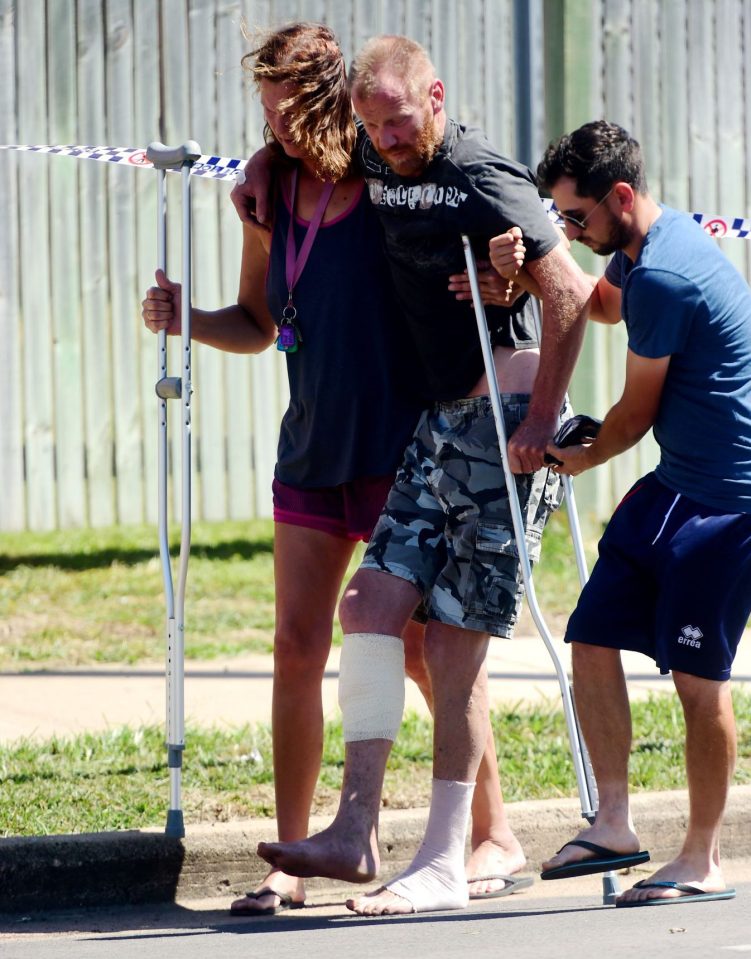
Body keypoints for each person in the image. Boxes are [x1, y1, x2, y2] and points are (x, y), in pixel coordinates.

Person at [142, 23, 526, 916]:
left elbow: (474, 225)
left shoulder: (391, 173)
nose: (276, 125)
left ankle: (491, 832)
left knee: (428, 650)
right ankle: (296, 854)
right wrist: (185, 320)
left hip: (402, 443)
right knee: (295, 645)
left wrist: (503, 275)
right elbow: (256, 318)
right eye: (265, 110)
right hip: (313, 444)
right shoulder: (270, 190)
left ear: (332, 100)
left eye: (292, 107)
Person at [236, 35, 592, 915]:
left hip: (498, 417)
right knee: (369, 609)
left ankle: (465, 847)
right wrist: (255, 156)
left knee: (449, 641)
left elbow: (573, 295)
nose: (385, 139)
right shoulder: (371, 147)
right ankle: (353, 831)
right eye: (372, 125)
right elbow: (301, 141)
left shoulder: (477, 169)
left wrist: (543, 417)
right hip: (436, 424)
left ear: (435, 95)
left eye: (397, 120)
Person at [494, 119, 751, 907]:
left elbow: (631, 419)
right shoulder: (642, 248)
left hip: (725, 503)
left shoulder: (669, 274)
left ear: (622, 196)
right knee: (591, 633)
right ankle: (612, 821)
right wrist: (539, 264)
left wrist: (564, 450)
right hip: (675, 483)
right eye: (561, 218)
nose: (568, 228)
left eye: (576, 217)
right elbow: (599, 305)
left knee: (696, 678)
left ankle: (702, 855)